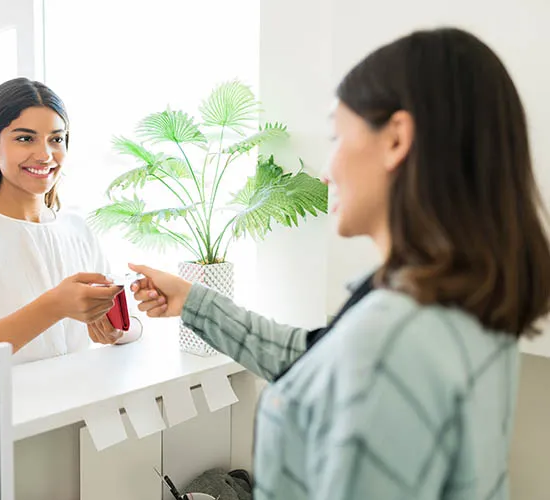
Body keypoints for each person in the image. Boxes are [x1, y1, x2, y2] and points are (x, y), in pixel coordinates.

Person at [129, 28, 550, 499]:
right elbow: (316, 361)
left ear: (396, 139)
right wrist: (192, 301)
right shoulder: (460, 298)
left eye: (337, 136)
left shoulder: (391, 343)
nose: (326, 170)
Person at [0, 77, 143, 362]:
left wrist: (117, 331)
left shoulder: (77, 230)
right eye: (25, 138)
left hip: (83, 401)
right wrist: (53, 306)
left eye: (56, 139)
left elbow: (131, 324)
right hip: (10, 406)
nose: (45, 155)